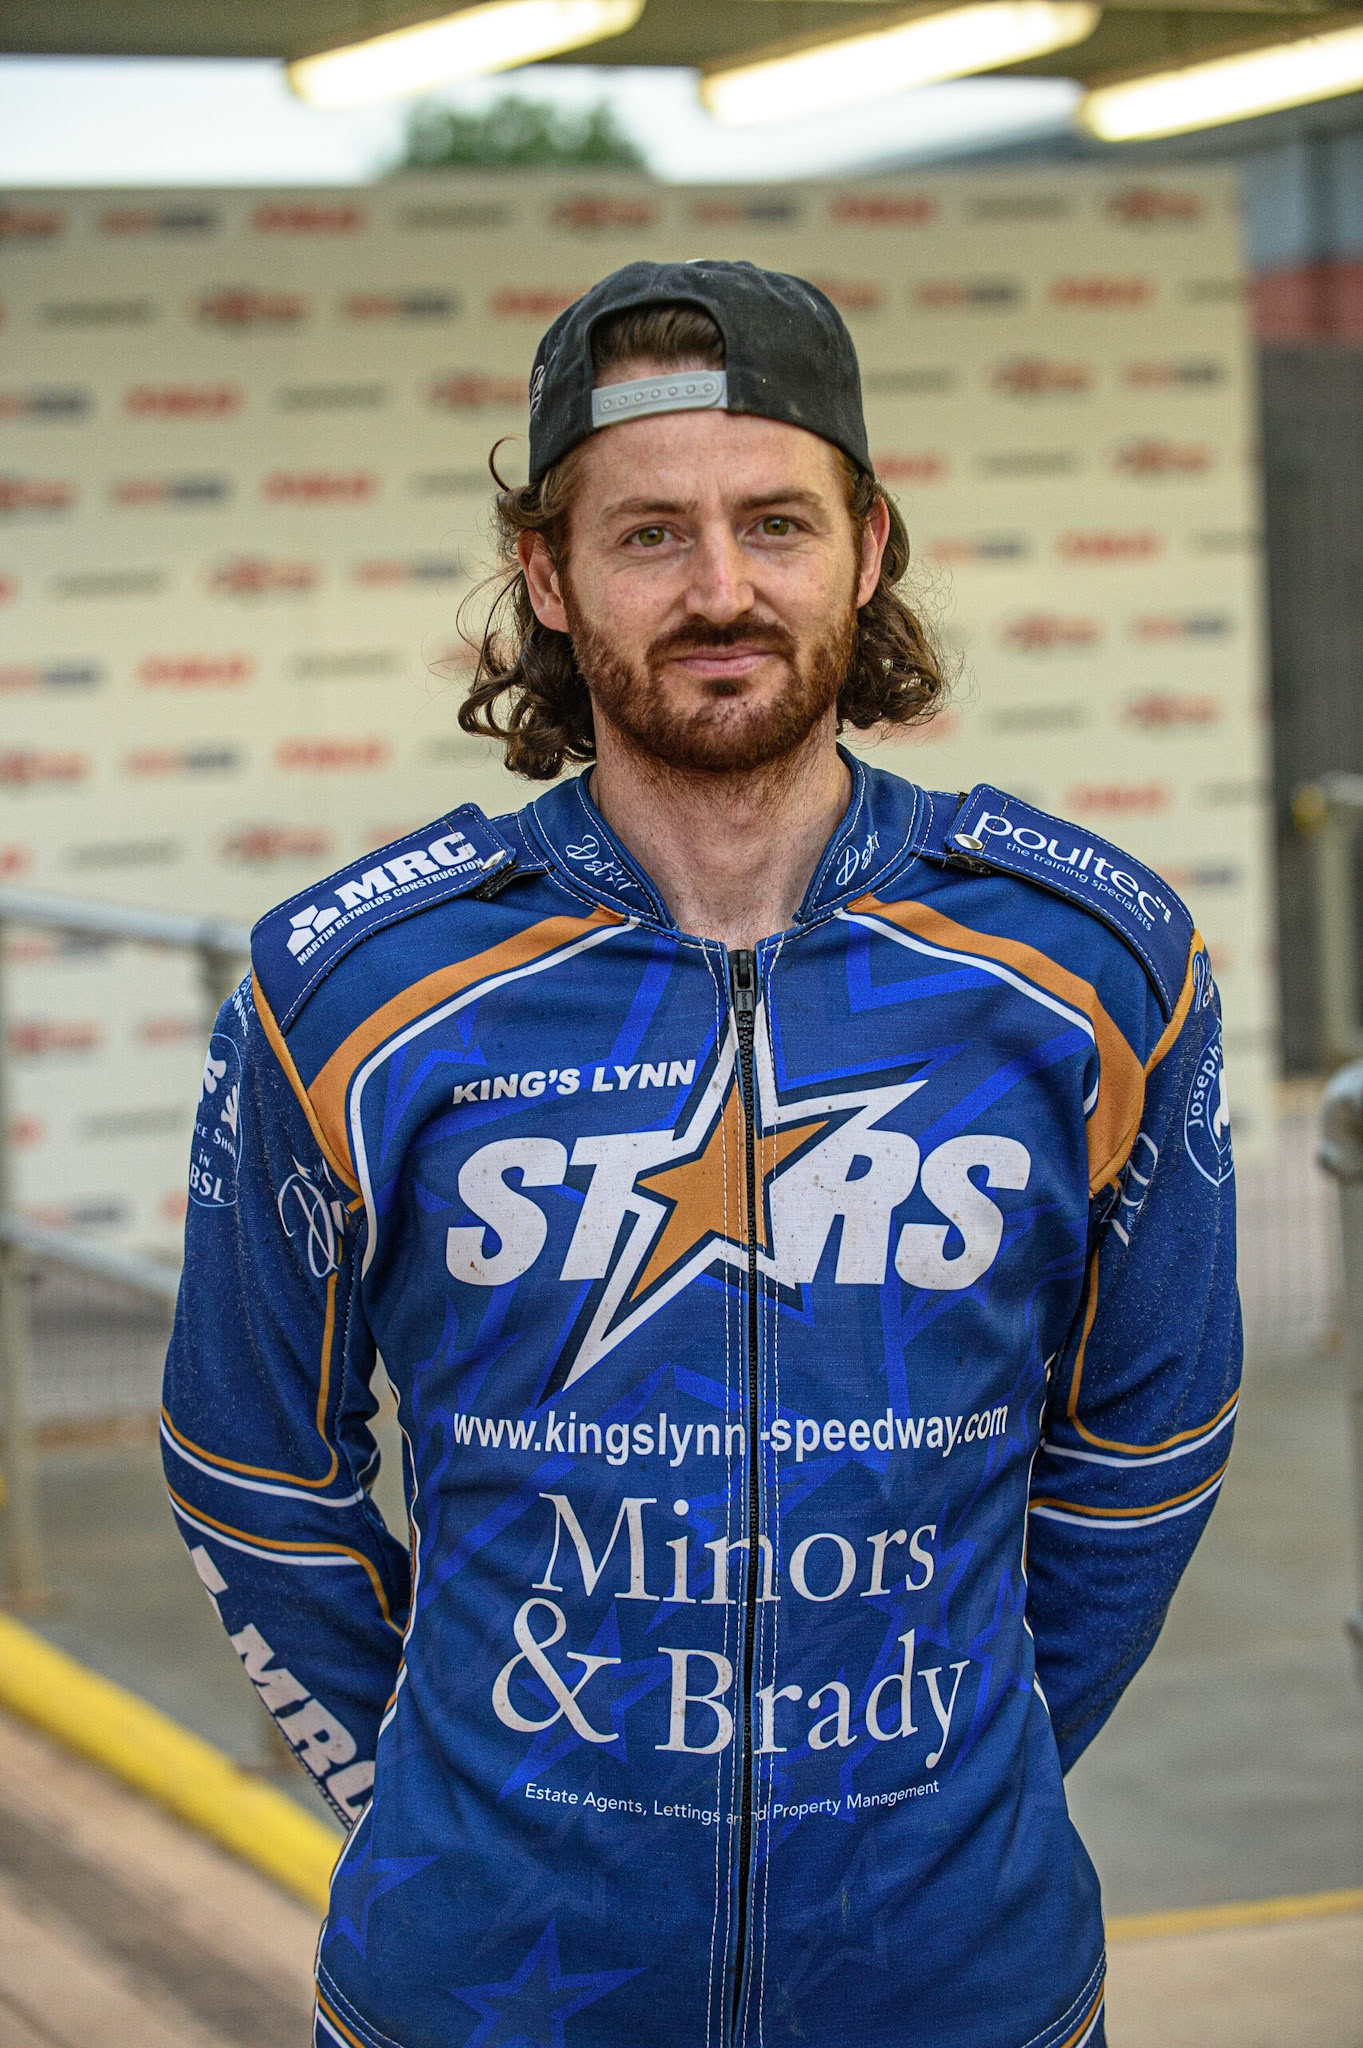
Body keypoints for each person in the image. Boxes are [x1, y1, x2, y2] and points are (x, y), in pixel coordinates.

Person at [163, 260, 1241, 2048]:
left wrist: (950, 1784)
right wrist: (437, 1805)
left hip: (960, 1983)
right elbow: (250, 1469)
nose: (722, 589)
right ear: (548, 576)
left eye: (775, 523)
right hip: (488, 1991)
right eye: (650, 534)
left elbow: (1151, 1443)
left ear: (869, 546)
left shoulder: (1092, 966)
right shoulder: (355, 984)